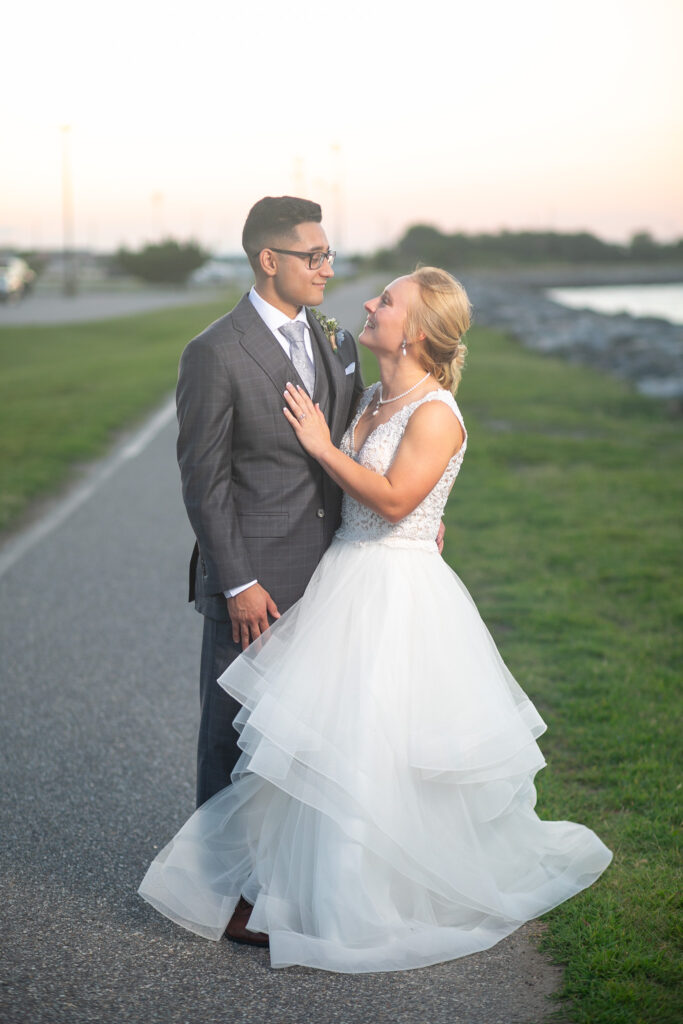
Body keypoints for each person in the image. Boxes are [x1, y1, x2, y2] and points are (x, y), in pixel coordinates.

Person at [140, 267, 612, 973]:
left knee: (375, 738)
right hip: (342, 578)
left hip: (397, 591)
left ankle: (367, 896)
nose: (367, 301)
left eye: (385, 300)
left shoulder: (435, 412)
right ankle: (303, 884)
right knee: (326, 742)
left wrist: (325, 448)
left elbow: (394, 500)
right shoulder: (365, 393)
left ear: (416, 331)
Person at [176, 196, 364, 810]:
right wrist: (238, 583)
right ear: (268, 259)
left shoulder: (335, 339)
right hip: (255, 587)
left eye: (327, 254)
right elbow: (205, 480)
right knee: (231, 737)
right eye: (314, 256)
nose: (327, 269)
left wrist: (414, 515)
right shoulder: (215, 351)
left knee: (314, 738)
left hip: (333, 576)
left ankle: (283, 876)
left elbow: (358, 443)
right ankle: (218, 890)